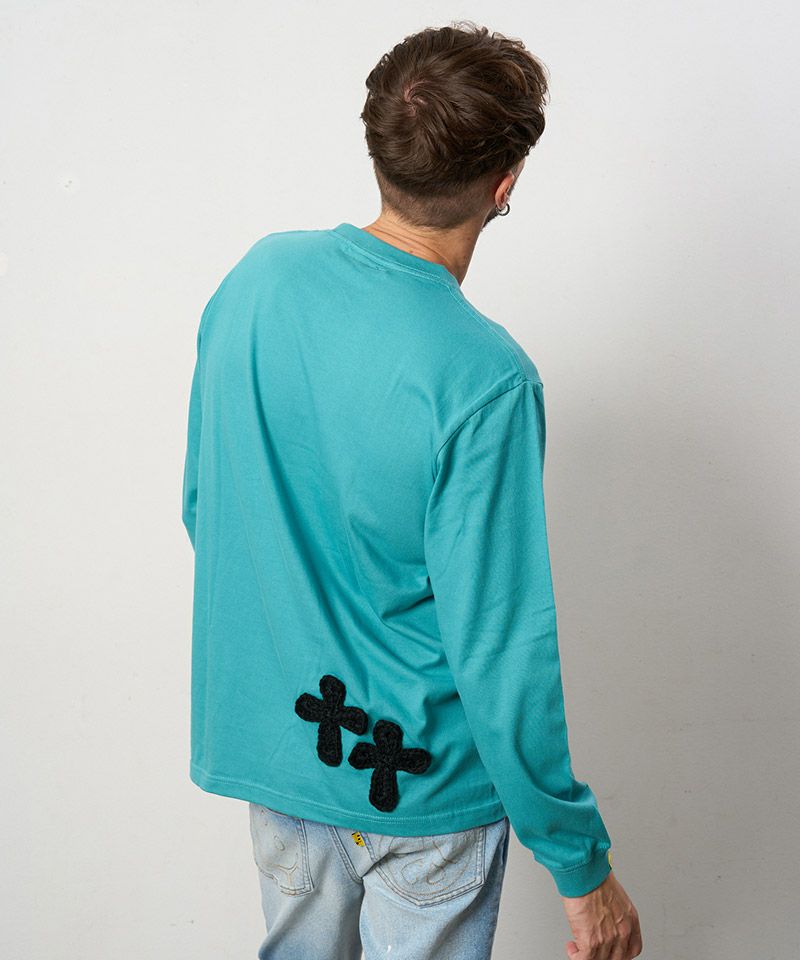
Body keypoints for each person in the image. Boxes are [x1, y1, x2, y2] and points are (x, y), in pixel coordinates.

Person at [181, 19, 642, 960]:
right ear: (506, 181)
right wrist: (580, 864)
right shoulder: (486, 379)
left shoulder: (258, 281)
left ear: (381, 148)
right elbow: (502, 650)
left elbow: (207, 507)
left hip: (283, 762)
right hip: (422, 787)